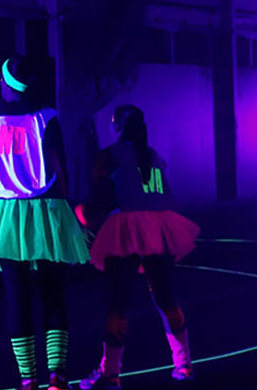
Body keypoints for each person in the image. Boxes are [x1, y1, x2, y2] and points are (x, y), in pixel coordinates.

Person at [0, 55, 90, 390]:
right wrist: (74, 217)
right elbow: (61, 170)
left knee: (17, 297)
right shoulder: (46, 117)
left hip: (5, 213)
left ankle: (27, 379)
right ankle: (57, 376)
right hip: (48, 210)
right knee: (54, 294)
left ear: (7, 84)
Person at [76, 105, 200, 389]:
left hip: (126, 231)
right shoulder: (153, 155)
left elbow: (101, 199)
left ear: (117, 126)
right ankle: (184, 365)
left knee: (118, 302)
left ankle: (110, 372)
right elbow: (166, 196)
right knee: (165, 297)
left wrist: (82, 214)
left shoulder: (110, 156)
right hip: (159, 229)